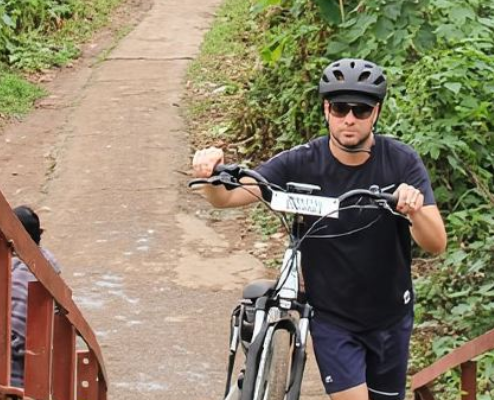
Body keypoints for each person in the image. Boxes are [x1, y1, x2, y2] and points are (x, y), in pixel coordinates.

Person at [191, 58, 447, 400]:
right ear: (327, 110)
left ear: (377, 112)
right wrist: (210, 175)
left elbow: (436, 244)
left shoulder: (401, 161)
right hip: (332, 317)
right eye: (341, 108)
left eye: (361, 110)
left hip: (390, 315)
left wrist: (414, 209)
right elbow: (229, 197)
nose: (350, 119)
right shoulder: (302, 162)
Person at [9, 204, 61, 389]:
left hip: (14, 365)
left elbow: (15, 329)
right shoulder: (48, 264)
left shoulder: (23, 269)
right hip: (41, 359)